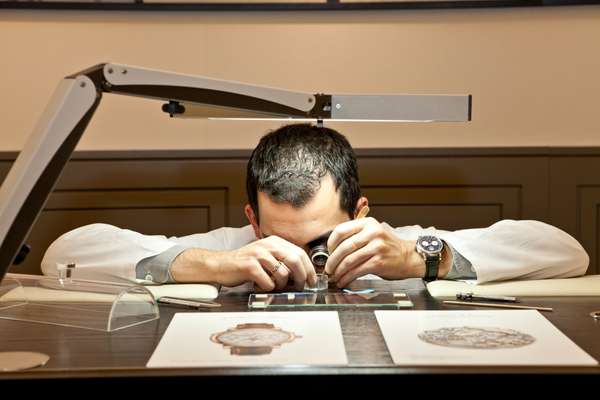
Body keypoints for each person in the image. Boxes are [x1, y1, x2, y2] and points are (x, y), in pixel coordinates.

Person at [41, 123, 589, 291]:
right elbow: (63, 255)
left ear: (360, 213)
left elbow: (567, 252)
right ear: (252, 219)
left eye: (322, 243)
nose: (307, 265)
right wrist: (206, 265)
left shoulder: (394, 247)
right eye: (280, 239)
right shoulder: (230, 249)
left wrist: (427, 258)